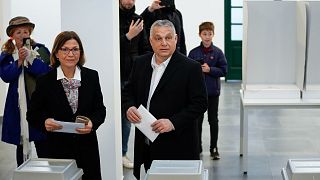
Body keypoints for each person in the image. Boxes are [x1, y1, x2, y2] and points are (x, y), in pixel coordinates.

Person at [122, 19, 208, 179]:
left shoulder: (191, 67)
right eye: (158, 38)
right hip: (146, 144)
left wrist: (173, 122)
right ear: (150, 40)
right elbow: (128, 92)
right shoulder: (140, 63)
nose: (164, 43)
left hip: (178, 145)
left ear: (176, 39)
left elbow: (200, 103)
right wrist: (129, 107)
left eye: (168, 38)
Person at [26, 31, 106, 180]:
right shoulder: (45, 81)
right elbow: (32, 114)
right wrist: (44, 122)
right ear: (56, 53)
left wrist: (92, 123)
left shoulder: (91, 76)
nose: (71, 54)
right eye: (65, 49)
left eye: (75, 49)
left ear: (80, 52)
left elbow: (100, 110)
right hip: (57, 149)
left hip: (87, 148)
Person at [0, 16, 51, 166]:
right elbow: (6, 76)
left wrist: (31, 59)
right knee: (21, 142)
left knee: (43, 141)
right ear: (12, 35)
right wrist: (20, 61)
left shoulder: (40, 50)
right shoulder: (7, 54)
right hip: (18, 105)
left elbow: (47, 72)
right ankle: (22, 172)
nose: (23, 35)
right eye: (18, 32)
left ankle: (49, 174)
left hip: (38, 102)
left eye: (25, 31)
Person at [188, 21, 228, 160]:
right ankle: (196, 147)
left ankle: (214, 148)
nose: (207, 36)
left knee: (213, 120)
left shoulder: (218, 52)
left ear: (213, 34)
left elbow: (224, 70)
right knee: (197, 121)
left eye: (209, 34)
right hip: (197, 94)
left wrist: (210, 69)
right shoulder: (193, 53)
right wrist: (196, 70)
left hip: (212, 93)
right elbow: (187, 73)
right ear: (200, 35)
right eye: (204, 34)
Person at [119, 0, 150, 169]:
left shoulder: (138, 20)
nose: (129, 1)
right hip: (115, 75)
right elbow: (110, 47)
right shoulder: (111, 19)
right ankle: (113, 151)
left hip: (133, 76)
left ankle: (122, 153)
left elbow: (145, 47)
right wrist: (128, 36)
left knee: (129, 117)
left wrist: (141, 67)